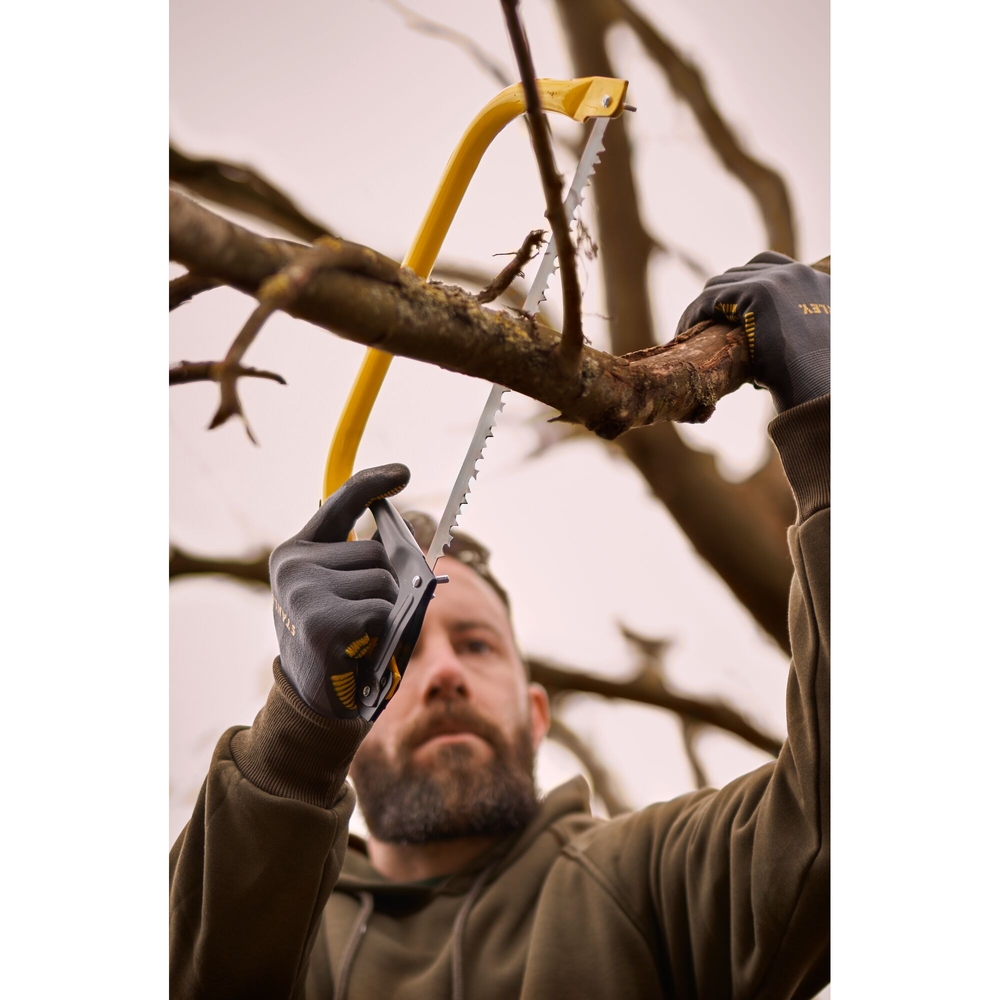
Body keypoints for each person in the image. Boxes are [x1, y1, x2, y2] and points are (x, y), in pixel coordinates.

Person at [169, 252, 830, 999]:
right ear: (347, 738)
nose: (445, 674)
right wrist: (292, 747)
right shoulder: (282, 925)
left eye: (476, 644)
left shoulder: (650, 881)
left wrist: (834, 427)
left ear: (536, 712)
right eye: (401, 656)